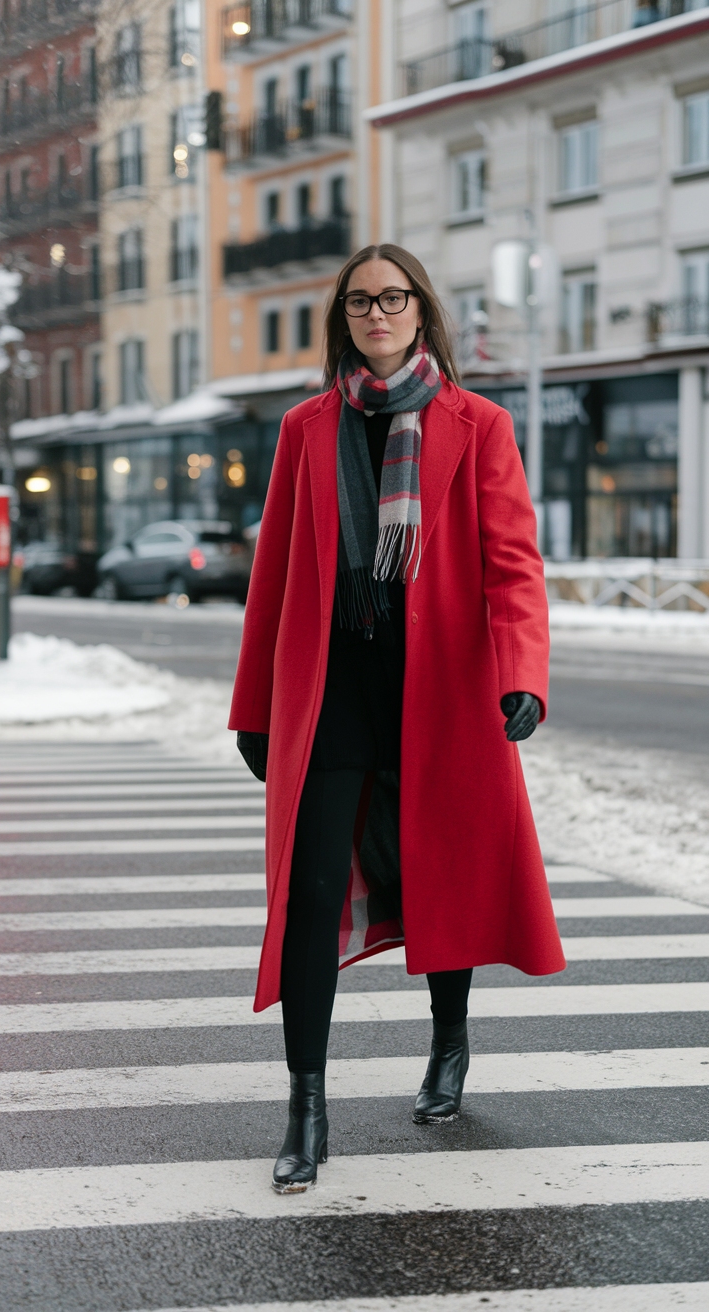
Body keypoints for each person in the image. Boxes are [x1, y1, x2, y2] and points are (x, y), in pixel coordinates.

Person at [229, 244, 566, 1194]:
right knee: (309, 891)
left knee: (442, 873)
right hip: (331, 690)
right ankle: (306, 1105)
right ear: (344, 316)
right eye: (360, 300)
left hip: (443, 689)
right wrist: (254, 707)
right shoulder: (305, 429)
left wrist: (521, 674)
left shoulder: (478, 424)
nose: (377, 313)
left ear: (421, 312)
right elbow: (275, 578)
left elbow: (514, 566)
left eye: (394, 298)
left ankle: (449, 1043)